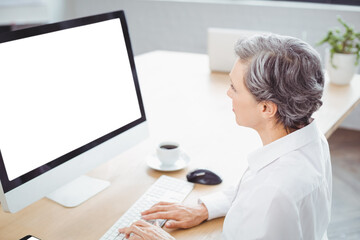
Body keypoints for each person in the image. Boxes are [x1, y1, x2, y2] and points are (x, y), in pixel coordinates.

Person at [119, 34, 332, 240]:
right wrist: (203, 210)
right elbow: (253, 195)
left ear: (266, 108)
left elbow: (264, 198)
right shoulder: (310, 138)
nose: (228, 93)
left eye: (234, 87)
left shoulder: (273, 191)